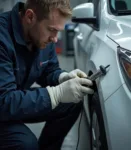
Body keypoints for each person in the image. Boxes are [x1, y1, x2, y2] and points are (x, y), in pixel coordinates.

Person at [0, 0, 94, 149]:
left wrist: (62, 77)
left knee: (71, 103)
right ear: (30, 17)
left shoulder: (40, 37)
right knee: (26, 145)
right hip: (3, 105)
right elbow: (4, 101)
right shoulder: (2, 38)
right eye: (52, 30)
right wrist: (56, 93)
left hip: (13, 99)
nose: (55, 38)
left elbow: (49, 69)